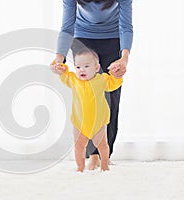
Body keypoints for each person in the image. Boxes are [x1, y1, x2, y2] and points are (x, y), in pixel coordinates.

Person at [50, 0, 133, 170]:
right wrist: (59, 58)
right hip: (83, 37)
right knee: (85, 96)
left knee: (111, 97)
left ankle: (104, 154)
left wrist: (124, 58)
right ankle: (92, 155)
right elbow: (67, 27)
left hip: (113, 37)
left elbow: (126, 26)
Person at [51, 48, 123, 171]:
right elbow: (64, 75)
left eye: (86, 66)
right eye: (78, 67)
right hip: (80, 122)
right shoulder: (73, 79)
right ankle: (80, 167)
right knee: (79, 146)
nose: (82, 70)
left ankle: (104, 165)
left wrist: (116, 75)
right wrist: (61, 68)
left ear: (96, 68)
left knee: (103, 145)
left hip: (98, 122)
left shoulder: (101, 79)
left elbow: (113, 84)